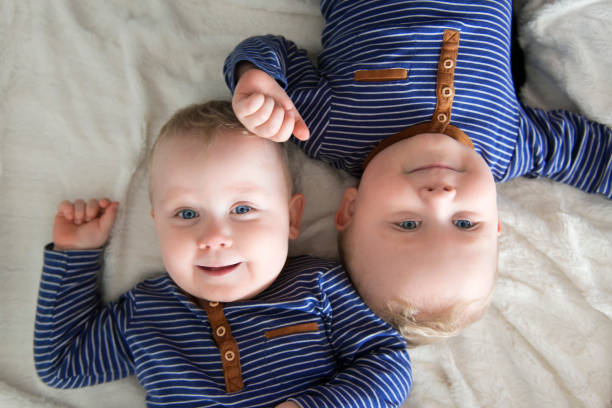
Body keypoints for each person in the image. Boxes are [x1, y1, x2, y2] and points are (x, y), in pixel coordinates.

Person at [223, 0, 612, 347]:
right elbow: (590, 155)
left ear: (350, 210)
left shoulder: (326, 128)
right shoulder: (511, 146)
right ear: (495, 220)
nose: (440, 197)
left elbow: (273, 52)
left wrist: (255, 81)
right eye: (464, 223)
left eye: (408, 223)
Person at [33, 101, 412, 408]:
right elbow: (63, 364)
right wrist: (75, 255)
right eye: (186, 214)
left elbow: (388, 362)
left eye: (242, 209)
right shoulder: (146, 312)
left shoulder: (319, 286)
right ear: (157, 226)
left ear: (292, 217)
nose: (213, 237)